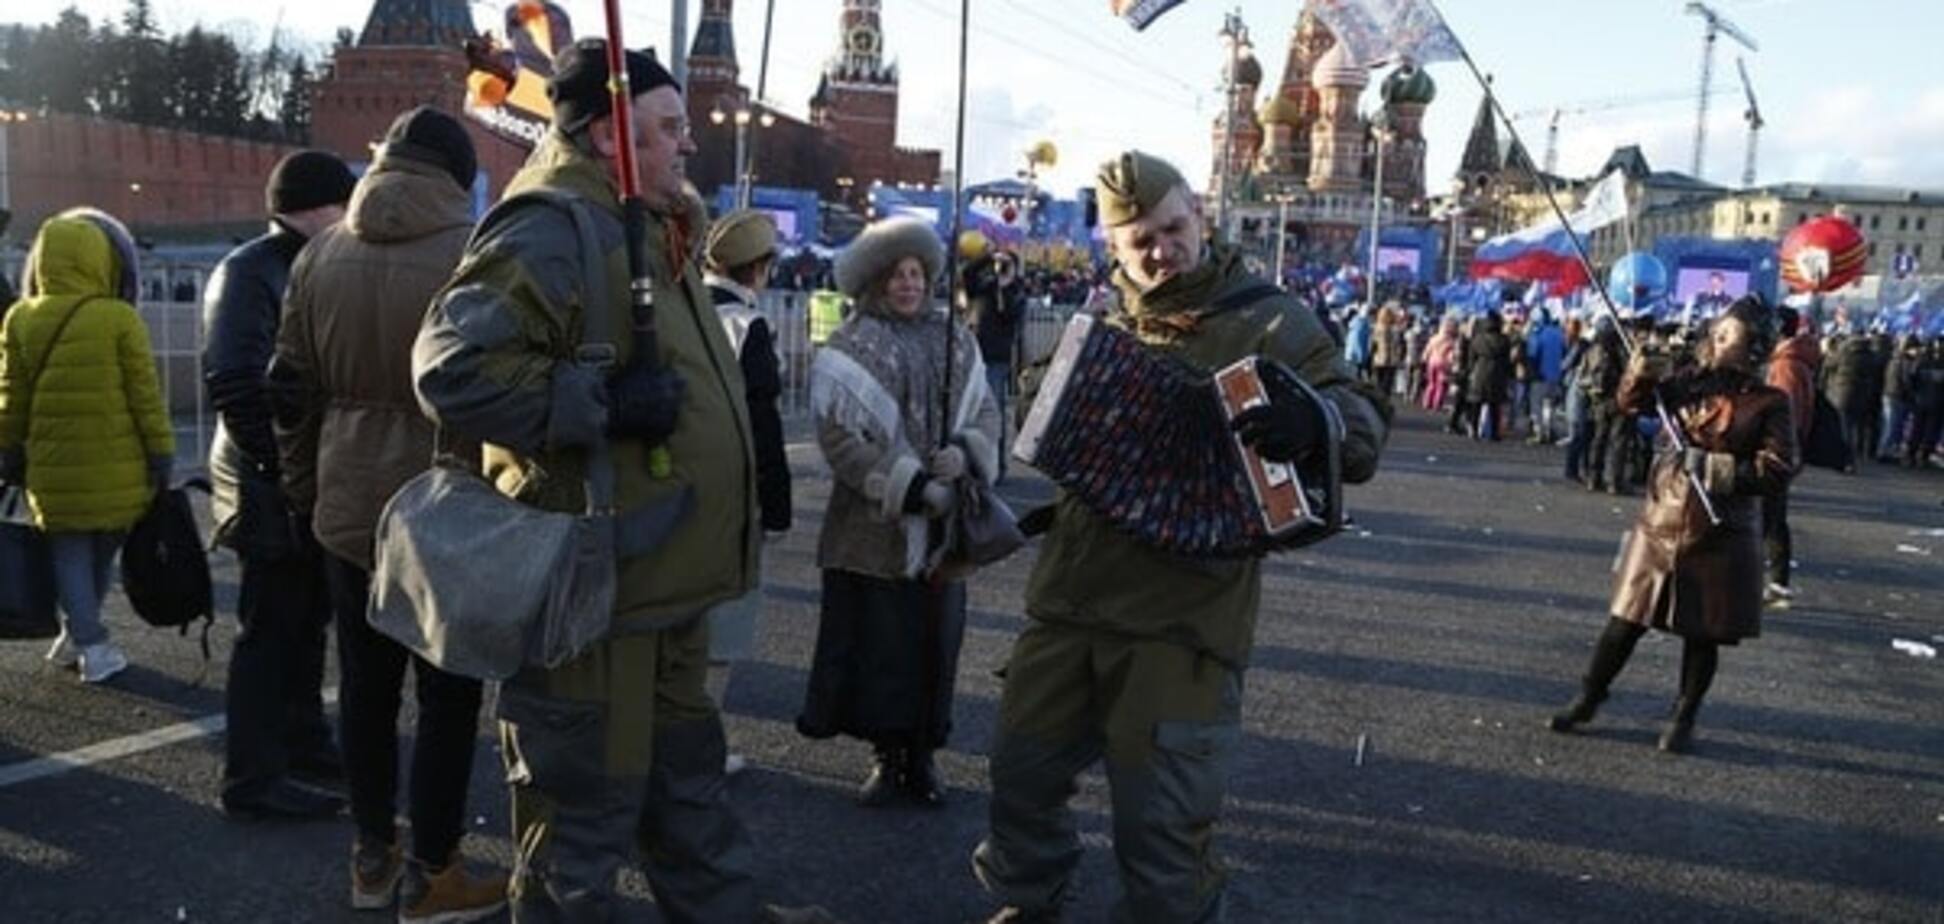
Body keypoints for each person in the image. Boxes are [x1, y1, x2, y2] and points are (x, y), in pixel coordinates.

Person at [972, 151, 1389, 923]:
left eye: (1172, 228)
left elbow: (1361, 427)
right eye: (1140, 242)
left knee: (1161, 823)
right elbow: (1041, 406)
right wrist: (1046, 395)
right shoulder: (1100, 320)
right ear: (1113, 248)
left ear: (1199, 212)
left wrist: (1314, 420)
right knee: (1020, 776)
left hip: (1186, 619)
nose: (1161, 251)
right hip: (1073, 597)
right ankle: (1028, 904)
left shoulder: (1271, 320)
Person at [411, 40, 763, 921]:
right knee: (579, 839)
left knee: (690, 811)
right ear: (611, 134)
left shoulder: (647, 221)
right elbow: (451, 369)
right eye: (670, 127)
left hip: (667, 587)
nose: (689, 144)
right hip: (596, 598)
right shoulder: (552, 223)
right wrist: (598, 402)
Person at [266, 107, 506, 920]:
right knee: (447, 696)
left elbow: (290, 394)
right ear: (456, 176)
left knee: (365, 688)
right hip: (448, 506)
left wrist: (305, 492)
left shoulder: (320, 255)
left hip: (346, 501)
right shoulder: (475, 255)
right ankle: (433, 873)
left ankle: (372, 858)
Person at [796, 215, 1001, 808]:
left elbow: (986, 412)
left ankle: (925, 756)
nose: (909, 284)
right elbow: (839, 439)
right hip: (872, 532)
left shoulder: (955, 338)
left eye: (917, 272)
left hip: (945, 536)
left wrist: (964, 456)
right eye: (897, 275)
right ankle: (887, 758)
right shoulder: (849, 345)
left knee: (938, 645)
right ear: (875, 282)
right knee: (883, 650)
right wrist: (909, 488)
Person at [1547, 296, 1796, 753]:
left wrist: (1718, 468)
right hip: (1661, 520)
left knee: (1702, 633)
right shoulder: (1687, 381)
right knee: (1625, 618)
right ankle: (1588, 696)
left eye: (1729, 337)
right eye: (1716, 333)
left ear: (1754, 349)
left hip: (1718, 529)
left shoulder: (1769, 402)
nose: (1716, 341)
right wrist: (1641, 371)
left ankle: (1684, 715)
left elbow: (1779, 467)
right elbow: (1630, 405)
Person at [204, 149, 356, 820]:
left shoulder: (270, 264)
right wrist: (285, 471)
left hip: (285, 479)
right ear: (321, 205)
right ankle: (253, 776)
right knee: (269, 631)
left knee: (302, 621)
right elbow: (237, 381)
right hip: (272, 484)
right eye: (344, 205)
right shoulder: (257, 270)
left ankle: (301, 741)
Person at [0, 208, 173, 683]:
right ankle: (92, 646)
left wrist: (9, 452)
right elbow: (145, 395)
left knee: (69, 549)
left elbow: (11, 397)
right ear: (102, 260)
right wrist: (161, 453)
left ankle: (77, 634)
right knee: (102, 547)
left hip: (52, 466)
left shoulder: (20, 317)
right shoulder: (118, 318)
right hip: (118, 464)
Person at [701, 208, 794, 777]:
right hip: (731, 493)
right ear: (758, 269)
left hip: (675, 482)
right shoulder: (747, 326)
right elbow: (764, 424)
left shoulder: (677, 307)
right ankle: (704, 747)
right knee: (722, 627)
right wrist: (777, 506)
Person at [1763, 307, 1819, 606]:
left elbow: (1785, 413)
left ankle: (1776, 583)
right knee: (1772, 519)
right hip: (1788, 449)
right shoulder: (1794, 362)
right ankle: (1776, 582)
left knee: (1768, 518)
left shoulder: (1786, 366)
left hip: (1779, 450)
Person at [963, 237, 1024, 480]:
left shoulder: (1016, 291)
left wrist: (1008, 284)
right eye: (1001, 264)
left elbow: (1011, 314)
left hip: (996, 358)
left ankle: (996, 467)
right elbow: (967, 275)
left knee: (992, 413)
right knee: (968, 411)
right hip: (973, 354)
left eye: (1007, 264)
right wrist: (988, 257)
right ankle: (973, 464)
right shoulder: (985, 286)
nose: (1001, 268)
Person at [1580, 316, 1630, 493]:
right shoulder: (1622, 348)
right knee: (1618, 441)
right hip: (1619, 399)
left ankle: (1594, 478)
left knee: (1599, 439)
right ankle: (1614, 481)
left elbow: (1582, 377)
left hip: (1599, 399)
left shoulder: (1592, 350)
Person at [1462, 310, 1512, 441]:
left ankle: (1474, 430)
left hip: (1480, 373)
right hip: (1497, 374)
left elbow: (1471, 359)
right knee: (1495, 407)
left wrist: (1469, 371)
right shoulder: (1504, 340)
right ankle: (1494, 433)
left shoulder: (1478, 339)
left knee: (1476, 405)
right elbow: (1507, 360)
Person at [1877, 334, 1921, 463]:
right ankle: (1884, 452)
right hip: (1897, 396)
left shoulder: (1894, 358)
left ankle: (1884, 450)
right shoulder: (1906, 361)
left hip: (1889, 394)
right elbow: (1906, 381)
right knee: (1892, 426)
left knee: (1888, 425)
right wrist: (1912, 395)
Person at [1526, 309, 1567, 444]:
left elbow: (1533, 355)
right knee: (1550, 406)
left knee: (1536, 406)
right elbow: (1564, 353)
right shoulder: (1559, 333)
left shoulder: (1537, 334)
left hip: (1540, 376)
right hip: (1556, 376)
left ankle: (1540, 432)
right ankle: (1550, 431)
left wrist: (1531, 373)